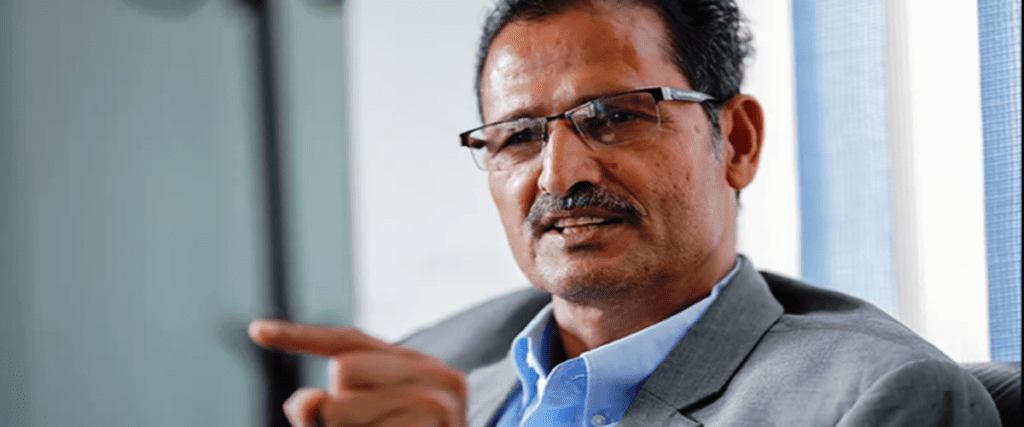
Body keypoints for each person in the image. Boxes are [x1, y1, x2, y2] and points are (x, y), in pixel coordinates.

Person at [248, 0, 1001, 426]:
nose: (559, 173)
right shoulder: (433, 367)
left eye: (613, 117)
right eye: (518, 135)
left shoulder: (876, 399)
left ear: (736, 142)